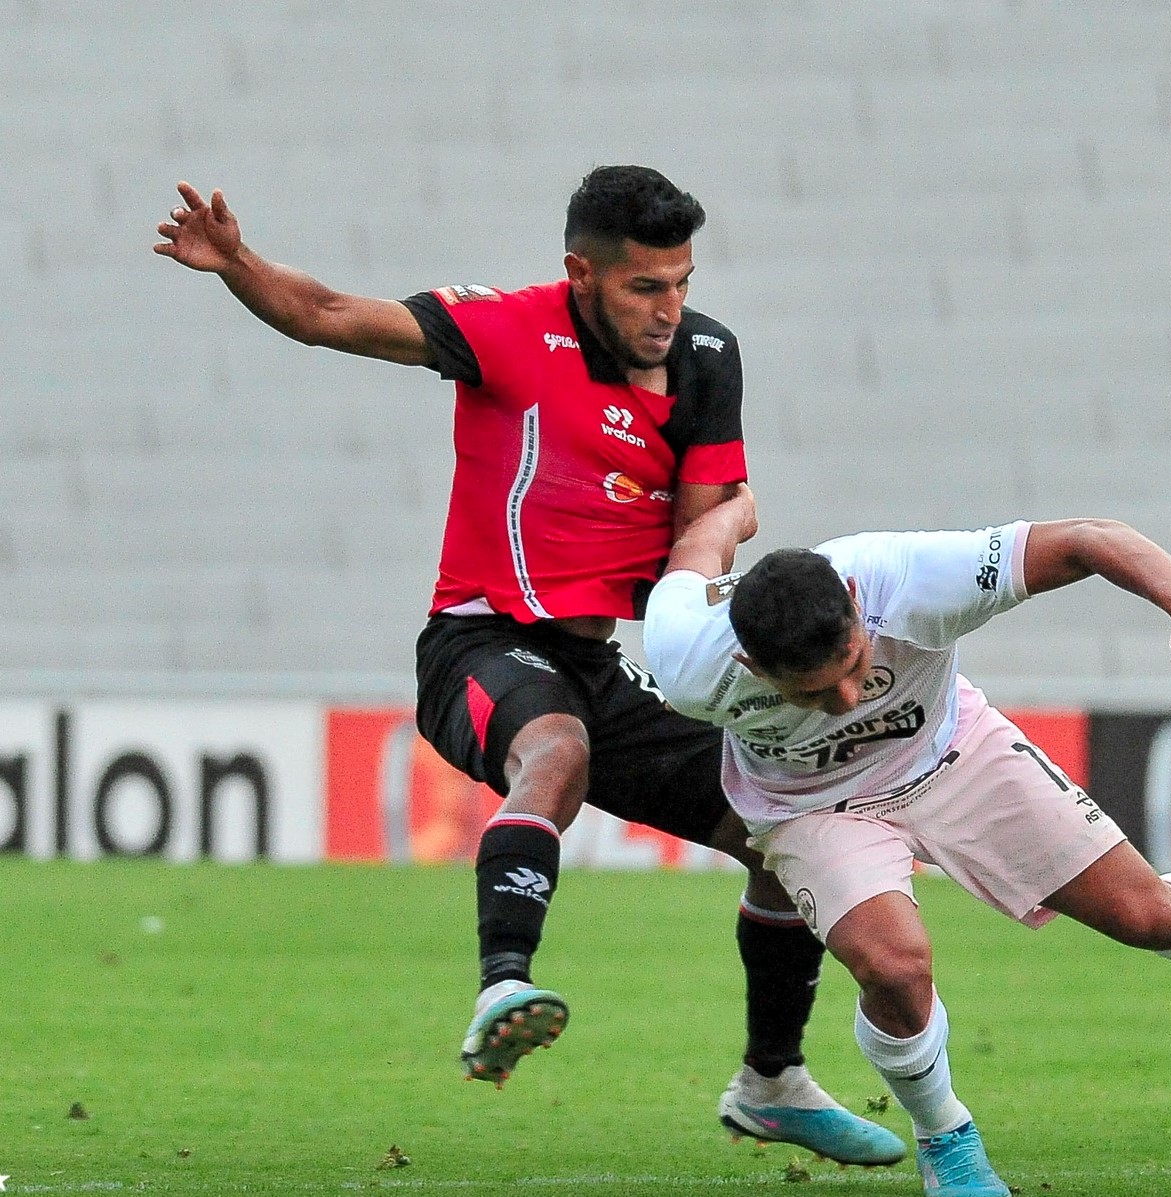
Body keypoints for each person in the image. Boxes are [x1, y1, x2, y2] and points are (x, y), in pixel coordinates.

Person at [153, 167, 904, 1166]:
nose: (668, 309)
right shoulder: (502, 330)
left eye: (680, 282)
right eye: (645, 287)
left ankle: (770, 1083)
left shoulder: (708, 355)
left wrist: (724, 544)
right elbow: (331, 314)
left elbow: (705, 517)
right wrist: (237, 263)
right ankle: (504, 981)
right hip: (479, 639)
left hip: (597, 664)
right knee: (555, 754)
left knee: (788, 829)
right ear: (579, 276)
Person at [643, 498, 1171, 1197]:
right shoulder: (687, 659)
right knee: (893, 963)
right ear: (748, 665)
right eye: (813, 692)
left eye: (854, 667)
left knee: (1151, 918)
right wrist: (714, 524)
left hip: (953, 754)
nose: (847, 701)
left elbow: (1085, 540)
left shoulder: (908, 578)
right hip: (812, 806)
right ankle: (946, 1136)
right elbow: (692, 554)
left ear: (853, 606)